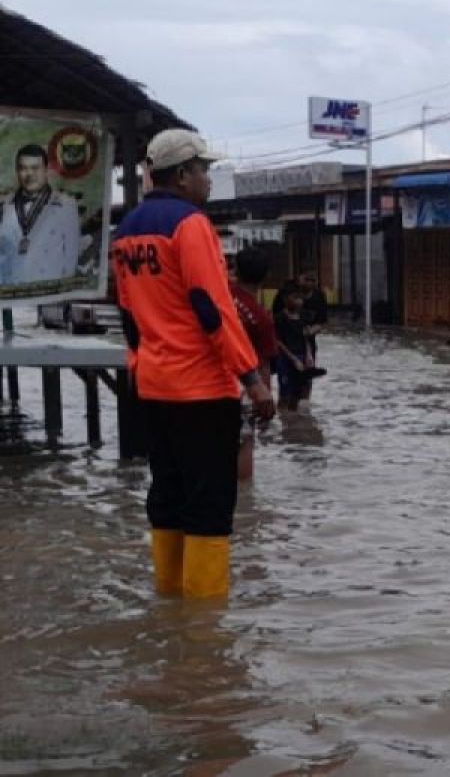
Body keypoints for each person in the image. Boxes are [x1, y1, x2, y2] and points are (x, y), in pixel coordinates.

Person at [111, 129, 274, 601]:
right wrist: (253, 381)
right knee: (208, 505)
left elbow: (128, 314)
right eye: (205, 169)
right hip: (202, 390)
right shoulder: (192, 225)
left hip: (153, 386)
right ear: (182, 175)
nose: (208, 179)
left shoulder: (126, 233)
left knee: (167, 496)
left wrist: (142, 364)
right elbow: (211, 309)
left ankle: (168, 603)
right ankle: (204, 633)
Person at [0, 143, 82, 284]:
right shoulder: (3, 205)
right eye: (23, 168)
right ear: (17, 172)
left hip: (48, 296)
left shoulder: (66, 206)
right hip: (11, 294)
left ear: (46, 170)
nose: (29, 174)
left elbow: (71, 259)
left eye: (35, 168)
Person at [230, 247, 278, 480]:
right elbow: (264, 365)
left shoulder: (220, 294)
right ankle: (245, 505)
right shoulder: (261, 318)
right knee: (244, 442)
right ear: (267, 276)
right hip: (244, 387)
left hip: (205, 381)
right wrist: (266, 399)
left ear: (235, 271)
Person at [274, 286, 313, 411]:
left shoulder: (304, 316)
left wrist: (309, 355)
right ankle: (282, 419)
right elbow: (278, 341)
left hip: (301, 357)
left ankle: (294, 422)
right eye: (295, 298)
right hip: (285, 359)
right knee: (285, 393)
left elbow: (305, 337)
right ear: (285, 299)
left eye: (300, 298)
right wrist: (293, 359)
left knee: (300, 391)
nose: (299, 301)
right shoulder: (279, 318)